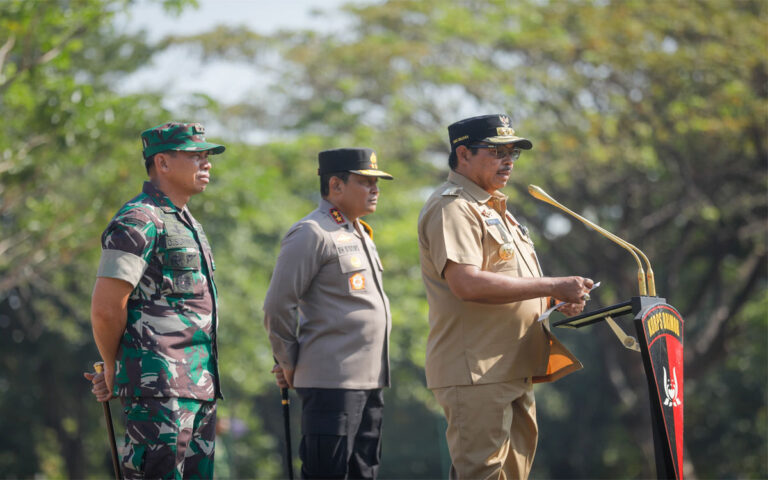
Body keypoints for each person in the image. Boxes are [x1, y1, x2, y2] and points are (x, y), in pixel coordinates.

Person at [417, 114, 594, 480]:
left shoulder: (495, 209)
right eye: (497, 151)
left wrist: (556, 301)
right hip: (477, 371)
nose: (508, 160)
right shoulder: (453, 206)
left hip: (513, 366)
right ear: (463, 154)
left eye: (513, 152)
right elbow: (467, 284)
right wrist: (551, 285)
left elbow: (512, 286)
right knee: (482, 475)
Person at [83, 122, 226, 479]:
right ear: (162, 163)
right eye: (195, 156)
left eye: (206, 156)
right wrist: (114, 365)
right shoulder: (139, 218)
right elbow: (105, 306)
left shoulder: (185, 221)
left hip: (198, 387)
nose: (206, 163)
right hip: (158, 391)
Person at [263, 148, 393, 479]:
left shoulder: (359, 231)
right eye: (365, 181)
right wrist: (289, 362)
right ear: (336, 185)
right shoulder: (312, 232)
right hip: (331, 382)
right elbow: (278, 304)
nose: (375, 189)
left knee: (363, 473)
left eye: (376, 182)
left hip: (370, 380)